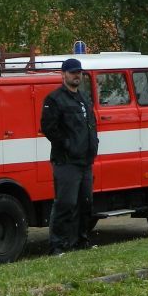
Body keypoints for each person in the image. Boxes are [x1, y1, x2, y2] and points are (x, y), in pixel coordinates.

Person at [40, 58, 98, 254]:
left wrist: (93, 144)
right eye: (72, 72)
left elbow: (91, 124)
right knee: (66, 204)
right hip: (66, 162)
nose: (76, 75)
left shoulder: (84, 97)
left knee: (86, 203)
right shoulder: (54, 99)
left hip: (85, 161)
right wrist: (67, 145)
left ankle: (81, 241)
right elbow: (48, 128)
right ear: (63, 74)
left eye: (79, 72)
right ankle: (58, 246)